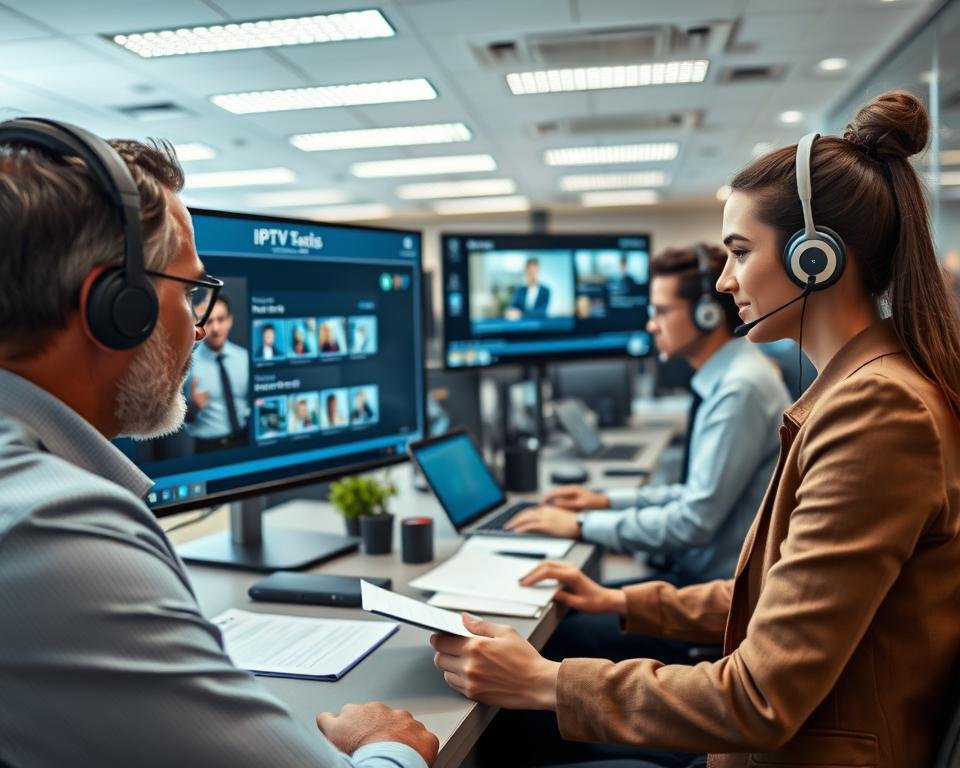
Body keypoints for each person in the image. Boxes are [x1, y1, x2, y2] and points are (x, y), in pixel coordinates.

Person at [431, 90, 960, 768]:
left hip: (797, 752)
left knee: (500, 738)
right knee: (513, 730)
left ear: (814, 260)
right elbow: (780, 602)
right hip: (789, 741)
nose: (726, 280)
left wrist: (544, 679)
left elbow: (759, 699)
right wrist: (620, 599)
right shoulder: (862, 392)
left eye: (740, 253)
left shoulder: (880, 413)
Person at [0, 121, 438, 768]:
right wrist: (390, 748)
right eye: (191, 293)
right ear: (117, 309)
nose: (201, 329)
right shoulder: (53, 526)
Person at [507, 244, 792, 592]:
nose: (651, 325)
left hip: (714, 596)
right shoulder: (732, 374)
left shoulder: (739, 389)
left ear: (707, 314)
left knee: (562, 622)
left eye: (661, 311)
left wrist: (581, 523)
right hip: (703, 578)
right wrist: (604, 501)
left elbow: (692, 522)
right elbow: (694, 495)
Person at [183, 292, 250, 452]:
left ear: (230, 320)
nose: (215, 328)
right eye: (209, 321)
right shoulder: (187, 364)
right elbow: (171, 419)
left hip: (244, 442)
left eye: (221, 319)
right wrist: (193, 407)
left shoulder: (245, 358)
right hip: (207, 449)